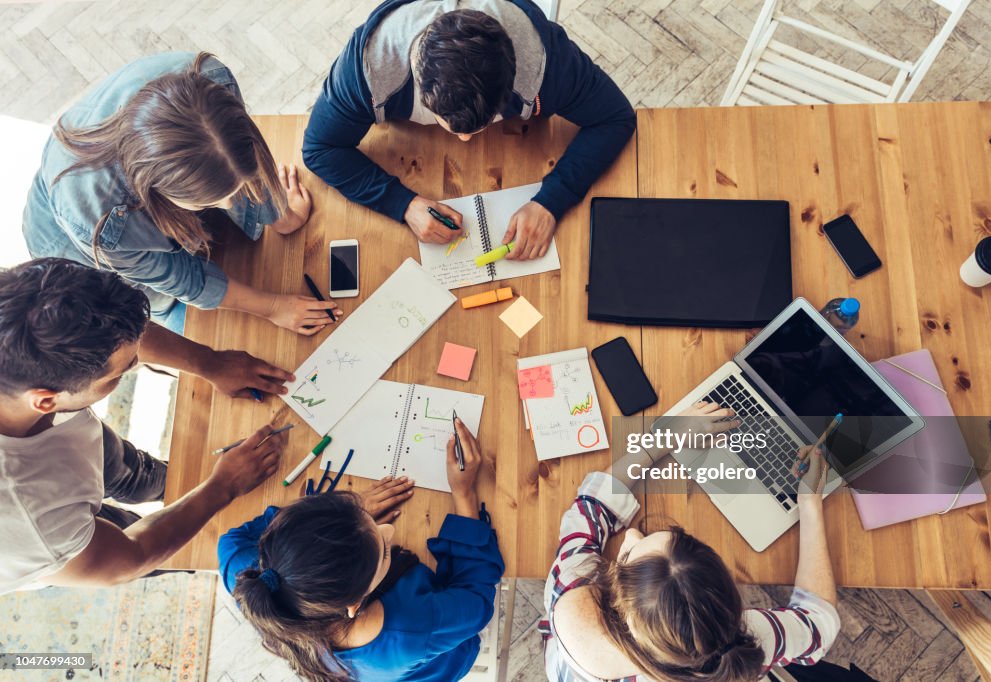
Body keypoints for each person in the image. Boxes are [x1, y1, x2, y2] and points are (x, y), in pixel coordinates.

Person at [0, 258, 288, 593]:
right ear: (46, 400)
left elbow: (118, 334)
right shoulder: (30, 521)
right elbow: (129, 557)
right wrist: (223, 486)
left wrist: (211, 363)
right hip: (55, 536)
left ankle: (166, 484)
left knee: (134, 471)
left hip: (61, 443)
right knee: (168, 548)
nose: (137, 364)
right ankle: (201, 563)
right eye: (122, 372)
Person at [23, 51, 338, 336]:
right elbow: (183, 280)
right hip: (73, 243)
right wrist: (273, 308)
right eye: (207, 201)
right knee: (170, 310)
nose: (230, 204)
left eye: (233, 191)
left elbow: (235, 158)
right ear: (156, 191)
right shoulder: (106, 224)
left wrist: (279, 215)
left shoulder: (212, 79)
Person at [303, 0, 636, 261]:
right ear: (421, 87)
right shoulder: (366, 71)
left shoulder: (549, 63)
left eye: (484, 123)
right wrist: (401, 203)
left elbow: (616, 117)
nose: (464, 140)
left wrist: (551, 201)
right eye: (452, 126)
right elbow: (319, 149)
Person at [541, 401, 840, 681]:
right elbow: (819, 625)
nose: (631, 534)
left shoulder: (570, 589)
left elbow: (591, 506)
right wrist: (810, 503)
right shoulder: (743, 643)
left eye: (629, 554)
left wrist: (664, 438)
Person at [218, 419, 504, 681]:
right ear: (355, 604)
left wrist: (334, 522)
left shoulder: (250, 577)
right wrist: (464, 494)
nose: (387, 530)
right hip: (435, 660)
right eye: (384, 550)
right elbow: (476, 599)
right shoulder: (412, 626)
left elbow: (229, 542)